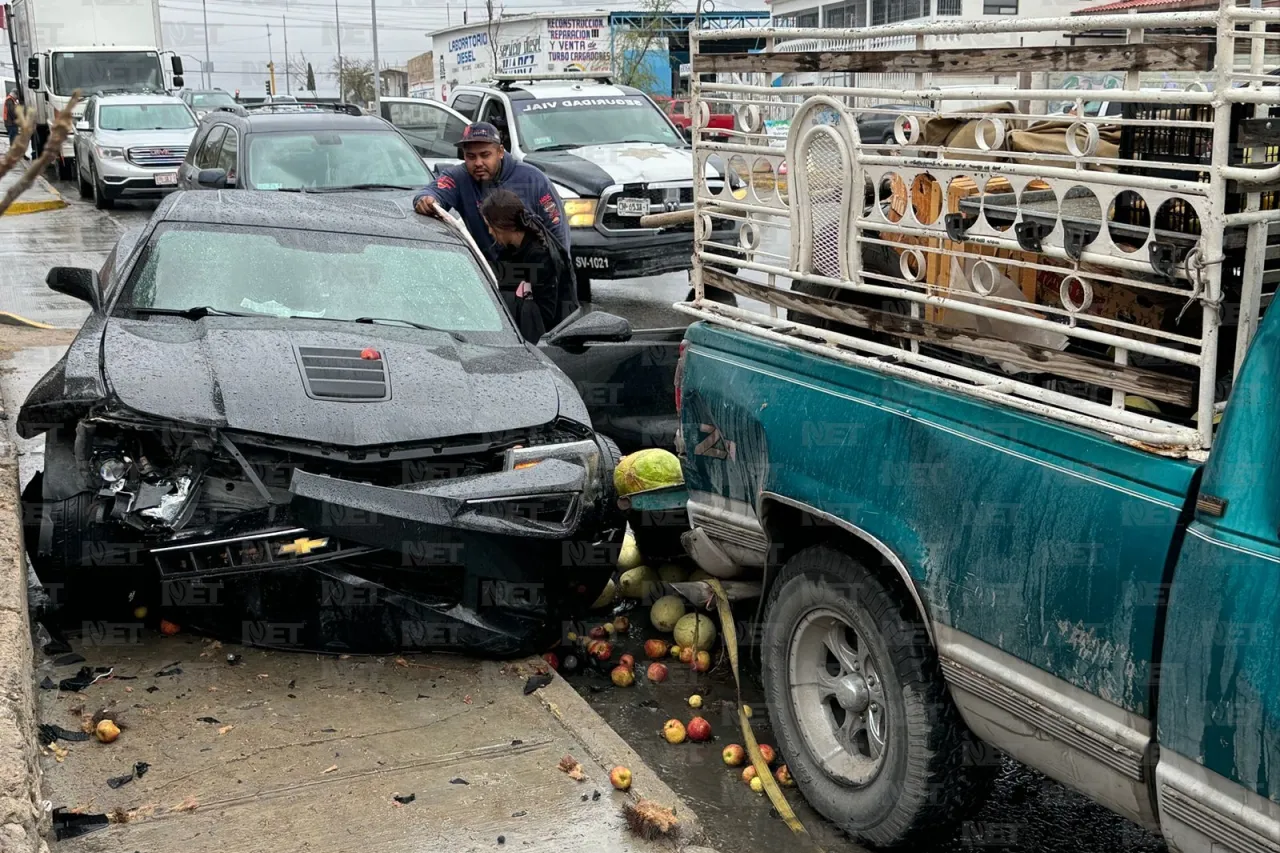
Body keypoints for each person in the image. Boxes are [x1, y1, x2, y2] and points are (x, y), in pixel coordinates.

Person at [413, 121, 570, 264]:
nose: (478, 163)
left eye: (485, 155)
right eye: (471, 156)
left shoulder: (533, 179)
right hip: (488, 278)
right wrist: (426, 199)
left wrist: (559, 274)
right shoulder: (459, 178)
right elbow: (431, 192)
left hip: (534, 274)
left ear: (500, 152)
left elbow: (557, 233)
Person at [480, 189, 578, 343]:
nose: (490, 232)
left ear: (504, 225)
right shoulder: (510, 249)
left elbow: (545, 313)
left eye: (490, 225)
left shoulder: (540, 256)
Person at [3, 89, 20, 153]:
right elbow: (12, 112)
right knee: (13, 138)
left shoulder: (11, 100)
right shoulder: (9, 100)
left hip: (10, 123)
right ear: (14, 94)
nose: (17, 97)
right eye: (17, 95)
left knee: (13, 138)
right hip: (11, 123)